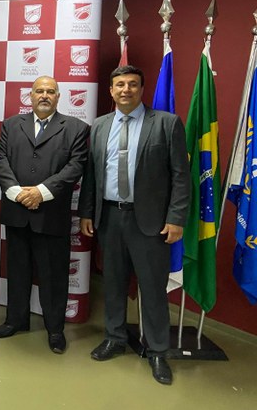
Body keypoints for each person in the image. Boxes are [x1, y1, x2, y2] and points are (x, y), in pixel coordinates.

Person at [78, 65, 189, 385]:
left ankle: (157, 350)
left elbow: (181, 176)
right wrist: (87, 212)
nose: (125, 89)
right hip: (110, 217)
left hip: (151, 222)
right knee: (113, 281)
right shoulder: (100, 125)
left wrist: (176, 218)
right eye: (120, 85)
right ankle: (115, 337)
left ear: (141, 89)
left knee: (152, 287)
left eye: (132, 84)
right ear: (111, 91)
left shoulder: (166, 123)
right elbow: (92, 175)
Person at [0, 75, 88, 354]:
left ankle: (55, 329)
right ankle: (15, 320)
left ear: (58, 97)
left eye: (50, 91)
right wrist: (17, 193)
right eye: (39, 91)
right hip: (16, 211)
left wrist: (41, 192)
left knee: (53, 275)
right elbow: (0, 160)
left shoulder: (76, 128)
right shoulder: (12, 124)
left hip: (51, 214)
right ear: (31, 96)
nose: (44, 95)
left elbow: (75, 166)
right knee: (17, 271)